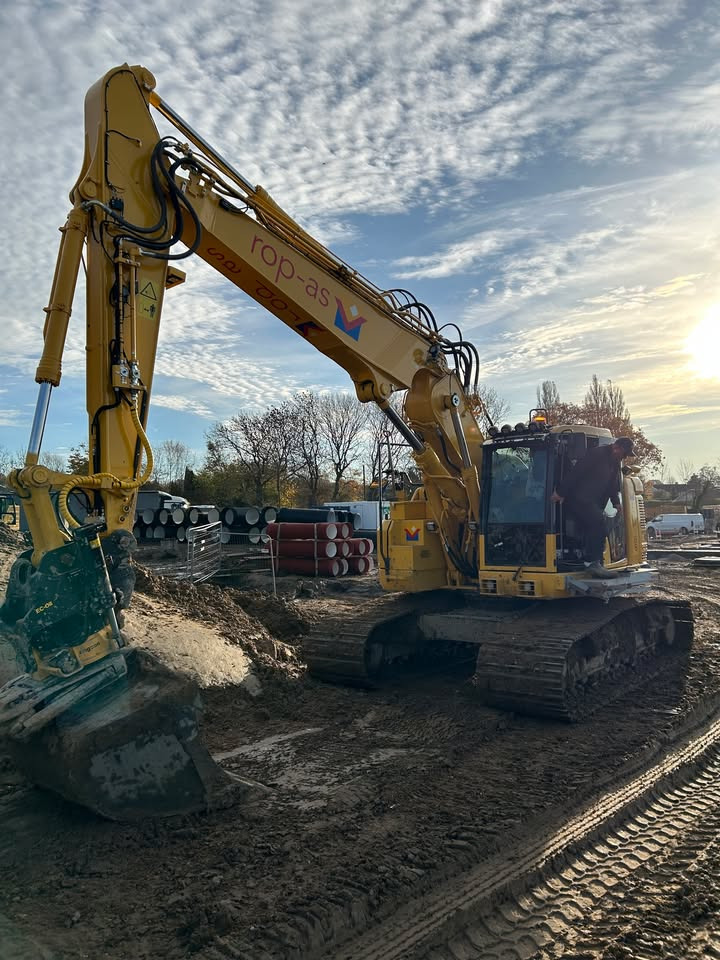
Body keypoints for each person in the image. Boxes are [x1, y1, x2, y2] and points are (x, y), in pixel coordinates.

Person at [551, 437, 635, 578]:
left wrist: (616, 502)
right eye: (624, 454)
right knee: (598, 522)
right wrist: (560, 493)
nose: (625, 457)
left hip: (592, 501)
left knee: (597, 525)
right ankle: (591, 563)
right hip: (578, 498)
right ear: (616, 447)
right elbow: (576, 473)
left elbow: (612, 484)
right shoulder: (596, 454)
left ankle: (597, 562)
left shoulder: (615, 462)